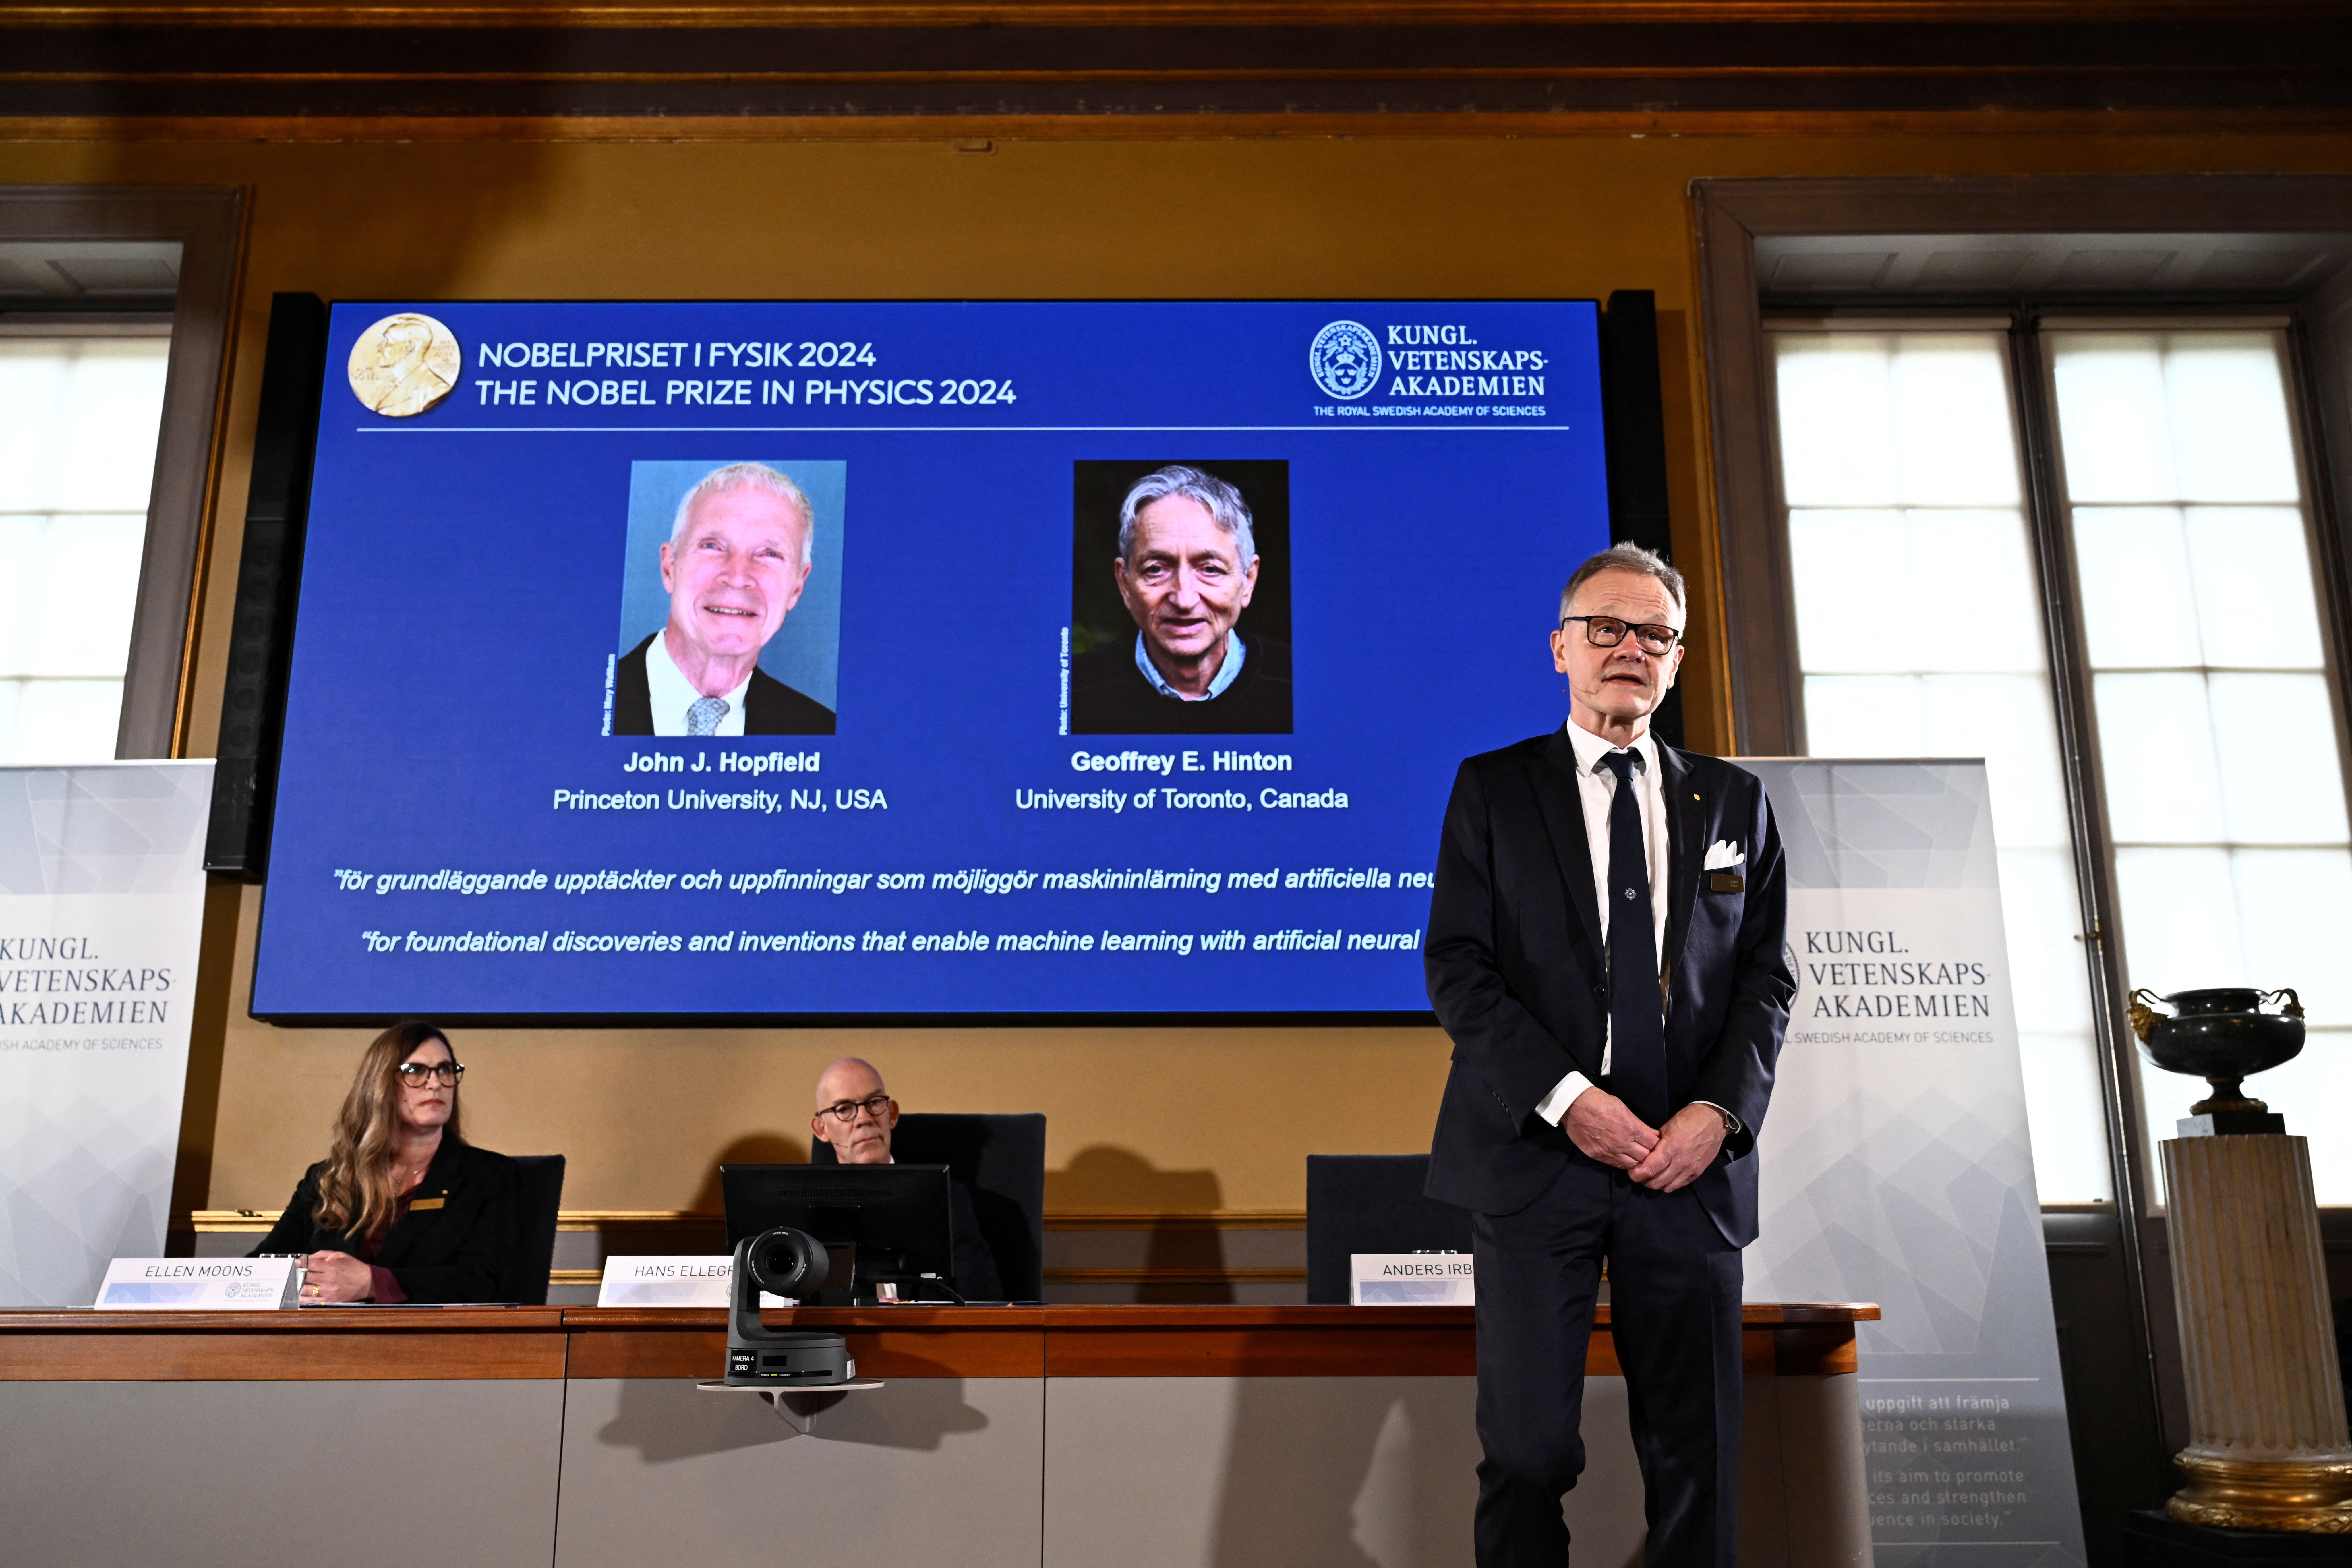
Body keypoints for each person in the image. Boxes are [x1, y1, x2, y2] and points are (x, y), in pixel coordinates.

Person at [1423, 543, 1794, 1567]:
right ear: (1559, 648)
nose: (1628, 647)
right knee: (1529, 1452)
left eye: (1652, 633)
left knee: (1696, 1461)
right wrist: (1567, 1098)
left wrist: (1714, 1116)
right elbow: (1457, 967)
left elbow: (1765, 980)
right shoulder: (1492, 790)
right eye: (1604, 627)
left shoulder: (1732, 803)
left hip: (1684, 1171)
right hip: (1535, 1160)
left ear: (1676, 660)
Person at [253, 1020, 520, 1304]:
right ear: (379, 1084)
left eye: (446, 1070)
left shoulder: (490, 1177)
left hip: (431, 1341)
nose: (435, 1083)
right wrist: (304, 1286)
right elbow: (263, 1266)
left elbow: (487, 1281)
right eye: (415, 1071)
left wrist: (372, 1283)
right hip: (321, 1338)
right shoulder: (327, 1178)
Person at [614, 461, 835, 736]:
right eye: (713, 547)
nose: (738, 576)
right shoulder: (578, 702)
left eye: (769, 554)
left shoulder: (821, 731)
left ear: (797, 587)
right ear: (669, 566)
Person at [1069, 463, 1291, 734]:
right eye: (1156, 569)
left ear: (1248, 581)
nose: (1184, 599)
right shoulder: (1071, 696)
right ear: (1125, 583)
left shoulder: (1302, 689)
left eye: (1210, 569)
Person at [808, 1056, 1005, 1301]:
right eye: (845, 1109)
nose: (864, 1118)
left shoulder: (947, 1200)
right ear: (822, 1129)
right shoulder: (807, 1212)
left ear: (892, 1114)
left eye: (874, 1102)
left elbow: (984, 1305)